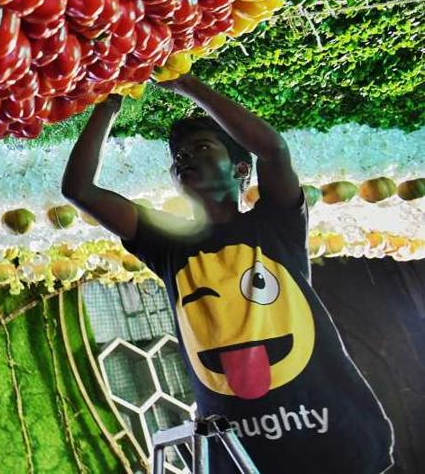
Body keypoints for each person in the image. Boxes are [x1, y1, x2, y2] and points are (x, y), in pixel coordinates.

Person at [61, 74, 394, 474]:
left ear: (240, 170)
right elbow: (79, 189)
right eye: (178, 156)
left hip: (335, 441)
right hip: (242, 458)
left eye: (200, 147)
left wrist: (186, 84)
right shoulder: (168, 243)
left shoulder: (276, 223)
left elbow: (273, 150)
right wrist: (108, 104)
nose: (184, 158)